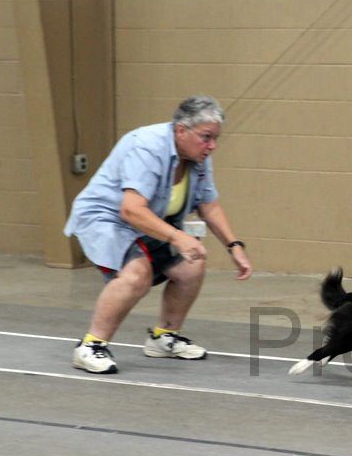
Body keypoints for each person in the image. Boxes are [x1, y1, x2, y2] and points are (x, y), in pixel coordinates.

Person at [64, 95, 252, 374]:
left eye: (215, 138)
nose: (212, 145)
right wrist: (177, 237)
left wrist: (234, 245)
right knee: (137, 274)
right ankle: (90, 346)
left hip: (150, 220)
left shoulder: (197, 157)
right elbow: (130, 210)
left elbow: (208, 205)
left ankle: (163, 338)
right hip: (108, 219)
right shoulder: (148, 146)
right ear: (181, 130)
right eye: (206, 137)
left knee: (193, 263)